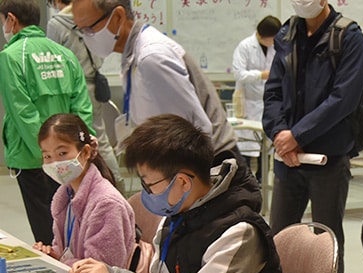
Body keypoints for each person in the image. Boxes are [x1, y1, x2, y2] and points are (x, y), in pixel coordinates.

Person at [70, 114, 282, 273]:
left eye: (149, 185)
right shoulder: (180, 214)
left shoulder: (240, 232)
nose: (146, 194)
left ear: (182, 181)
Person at [262, 0, 363, 273]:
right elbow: (273, 91)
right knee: (279, 241)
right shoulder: (287, 34)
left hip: (328, 159)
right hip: (288, 158)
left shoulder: (348, 38)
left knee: (327, 246)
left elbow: (343, 99)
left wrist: (297, 135)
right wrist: (279, 133)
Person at [71, 0, 248, 171]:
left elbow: (195, 133)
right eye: (80, 30)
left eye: (89, 28)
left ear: (118, 16)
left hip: (207, 170)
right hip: (182, 169)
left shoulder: (152, 57)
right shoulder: (135, 52)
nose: (85, 37)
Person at [0, 0, 92, 245]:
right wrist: (78, 150)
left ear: (11, 19)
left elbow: (21, 111)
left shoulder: (10, 56)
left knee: (46, 230)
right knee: (73, 223)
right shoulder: (64, 53)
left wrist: (46, 156)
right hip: (71, 156)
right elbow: (81, 105)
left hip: (33, 159)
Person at [33, 113, 135, 270]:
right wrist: (51, 254)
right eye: (47, 156)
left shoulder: (106, 204)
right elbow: (65, 250)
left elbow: (101, 270)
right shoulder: (66, 196)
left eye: (62, 153)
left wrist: (59, 262)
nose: (55, 163)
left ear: (86, 152)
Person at [46, 0, 122, 189]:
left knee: (74, 144)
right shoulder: (93, 17)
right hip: (92, 84)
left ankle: (90, 188)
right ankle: (115, 184)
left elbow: (52, 60)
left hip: (71, 89)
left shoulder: (56, 23)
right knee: (99, 139)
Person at [232, 15, 280, 182]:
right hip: (248, 102)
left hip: (269, 101)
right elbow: (238, 73)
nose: (274, 41)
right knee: (247, 145)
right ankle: (246, 181)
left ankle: (261, 179)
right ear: (262, 35)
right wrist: (261, 75)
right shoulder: (245, 46)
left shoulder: (276, 47)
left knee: (266, 147)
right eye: (272, 38)